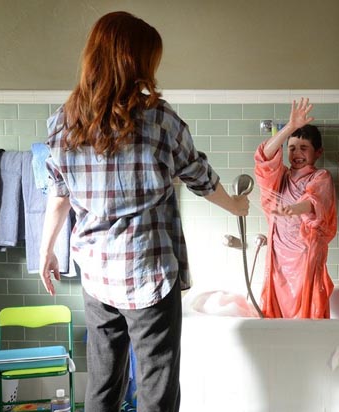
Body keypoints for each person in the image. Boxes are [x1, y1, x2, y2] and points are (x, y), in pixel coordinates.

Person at [38, 11, 249, 412]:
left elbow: (59, 192)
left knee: (103, 385)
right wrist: (236, 204)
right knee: (156, 389)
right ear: (135, 61)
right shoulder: (160, 119)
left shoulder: (64, 122)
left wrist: (46, 250)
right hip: (147, 273)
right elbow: (200, 177)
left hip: (97, 274)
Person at [254, 98, 337, 318]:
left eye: (303, 148)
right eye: (292, 148)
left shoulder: (321, 177)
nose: (297, 153)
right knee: (279, 312)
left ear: (318, 152)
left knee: (307, 310)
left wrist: (294, 209)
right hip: (278, 258)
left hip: (305, 257)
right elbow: (263, 158)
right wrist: (289, 128)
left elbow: (314, 202)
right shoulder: (279, 177)